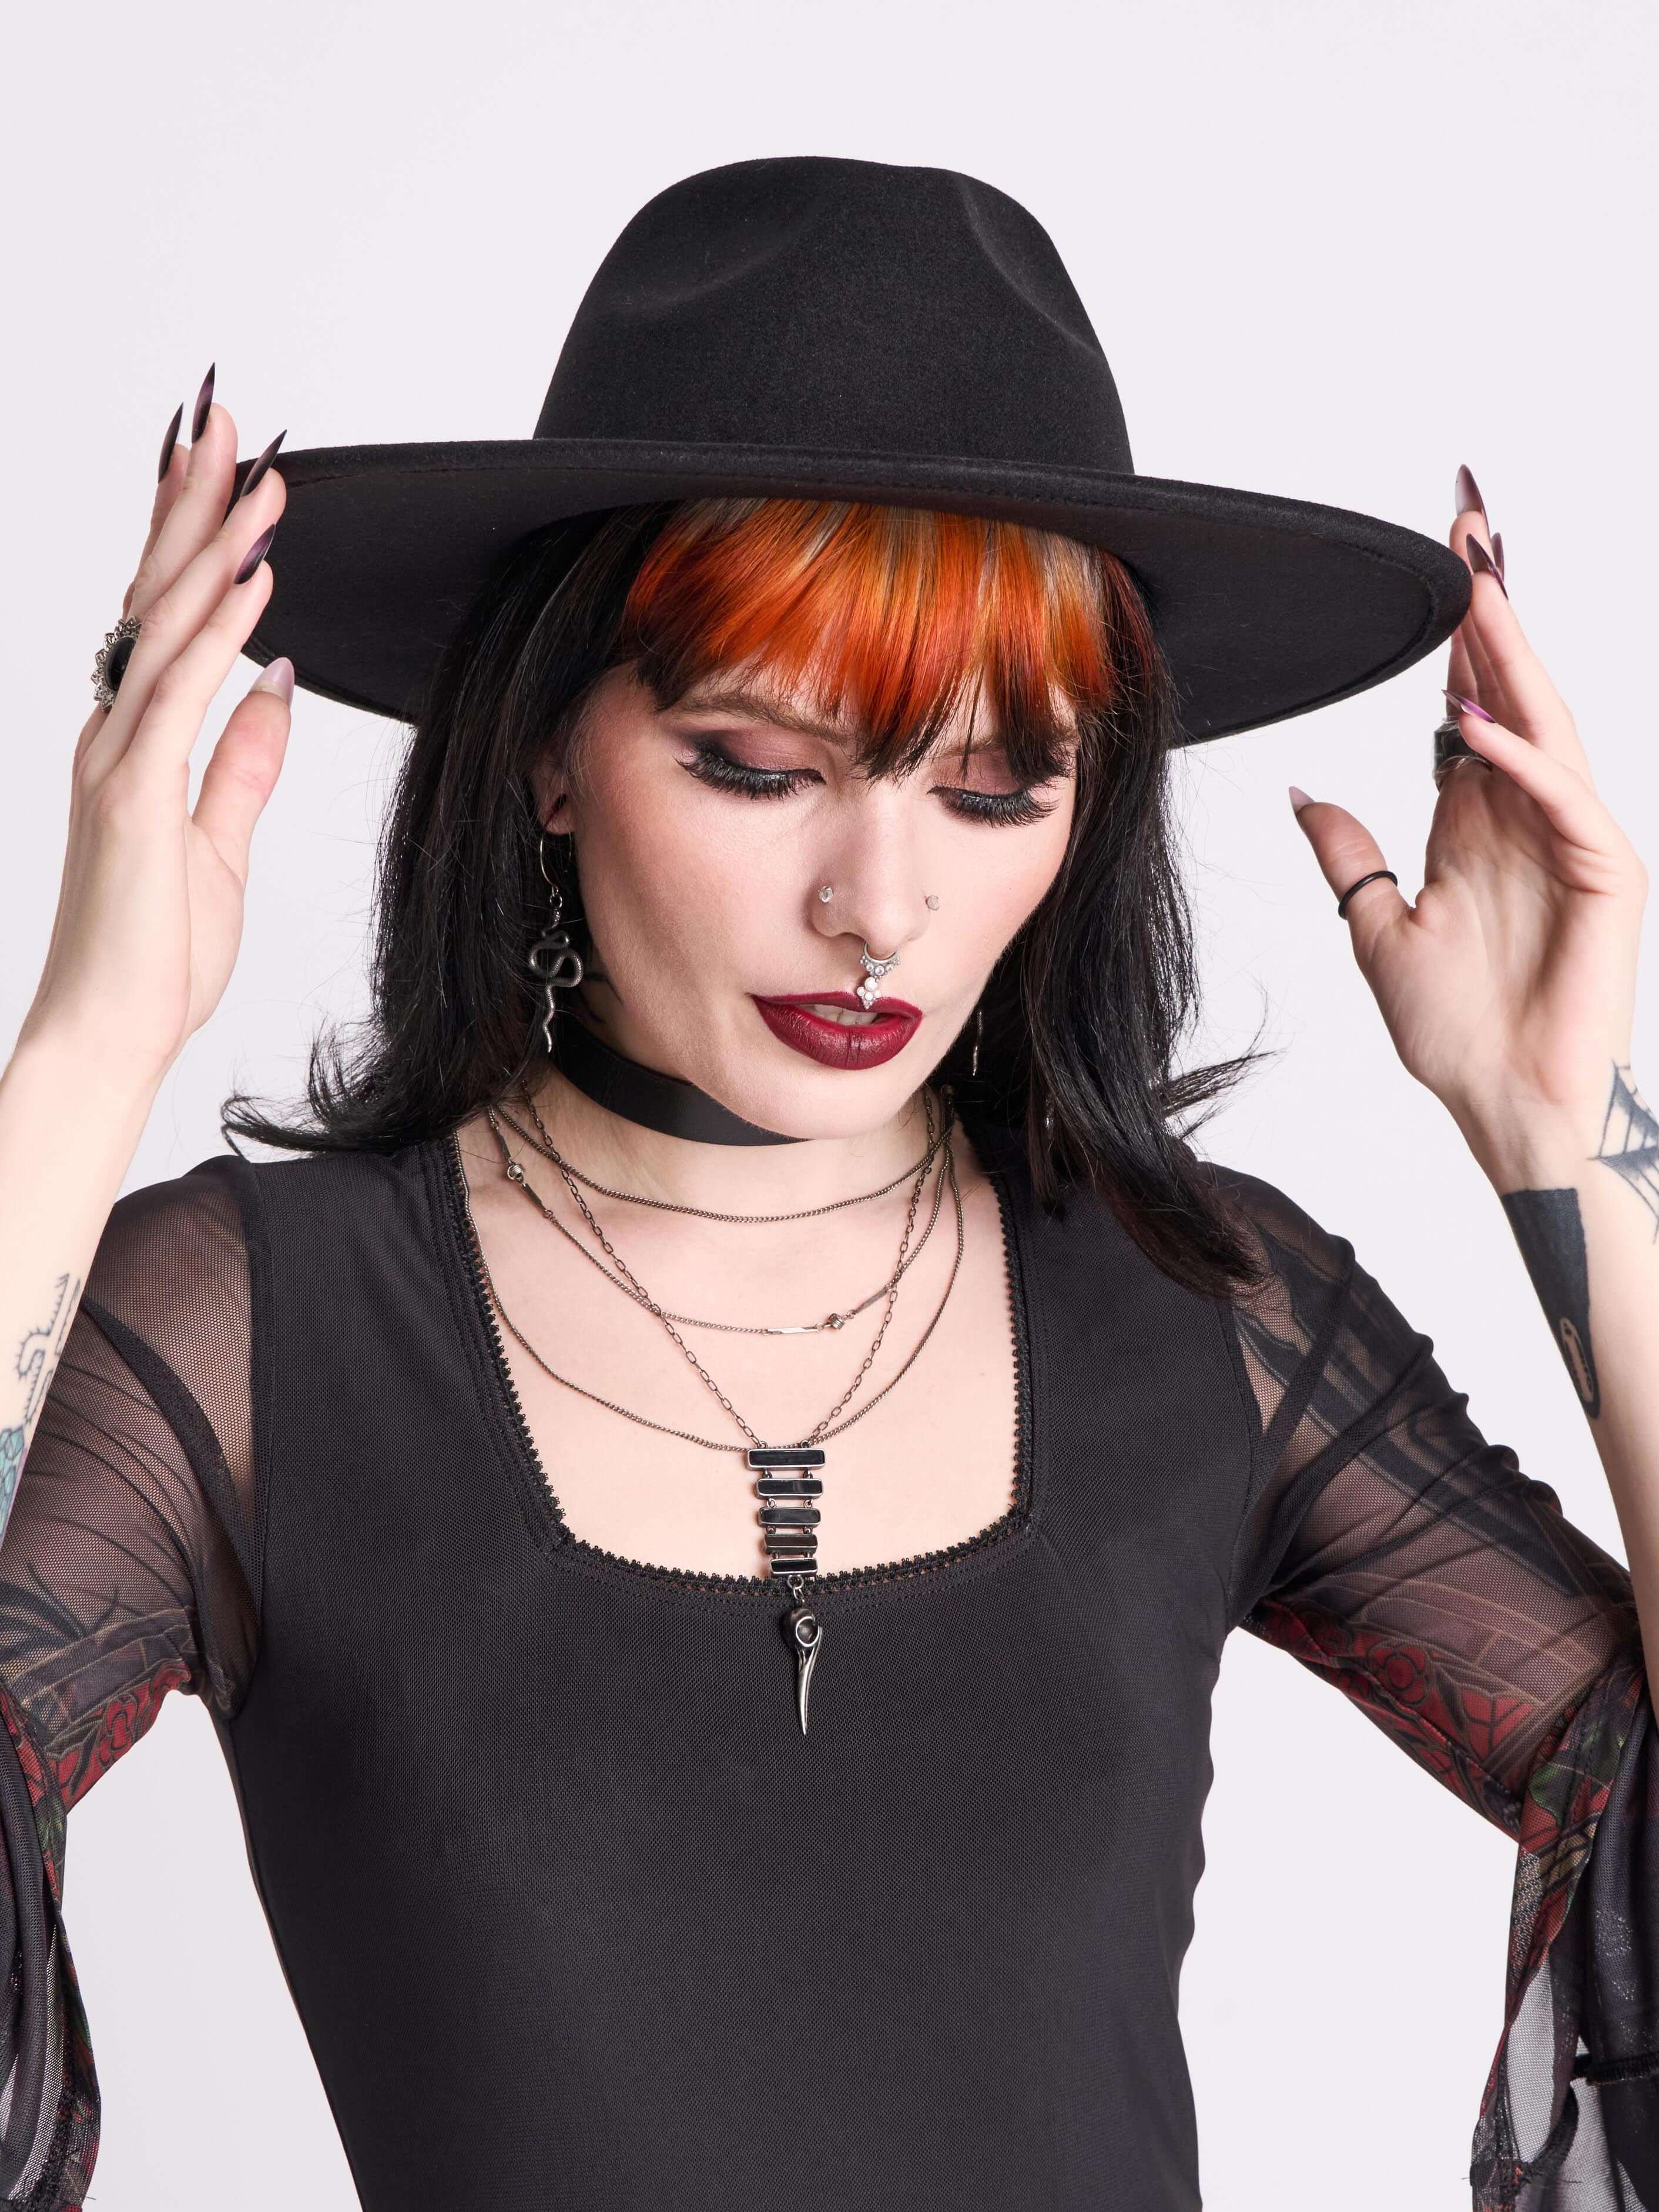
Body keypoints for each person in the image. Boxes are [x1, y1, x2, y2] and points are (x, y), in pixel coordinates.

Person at [0, 155, 1653, 2212]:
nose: (880, 905)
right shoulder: (246, 1335)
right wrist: (87, 1051)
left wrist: (1565, 1130)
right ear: (545, 751)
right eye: (760, 768)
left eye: (995, 789)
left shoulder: (1208, 1309)